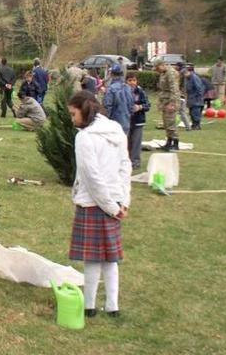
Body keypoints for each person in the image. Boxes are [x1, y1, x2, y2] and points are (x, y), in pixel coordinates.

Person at [67, 90, 130, 318]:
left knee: (94, 259)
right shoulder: (116, 129)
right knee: (110, 259)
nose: (72, 119)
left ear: (84, 111)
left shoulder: (84, 137)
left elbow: (92, 177)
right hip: (115, 202)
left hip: (96, 203)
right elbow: (126, 166)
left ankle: (90, 306)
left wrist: (113, 206)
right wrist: (123, 201)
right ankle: (111, 306)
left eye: (73, 114)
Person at [155, 60, 181, 151]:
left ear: (162, 65)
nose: (157, 70)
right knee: (166, 123)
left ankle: (175, 142)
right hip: (165, 100)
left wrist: (172, 103)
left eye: (157, 68)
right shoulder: (163, 73)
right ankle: (169, 141)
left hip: (171, 100)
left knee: (171, 122)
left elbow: (174, 89)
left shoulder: (171, 73)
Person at [102, 65, 134, 135]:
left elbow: (107, 106)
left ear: (111, 74)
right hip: (126, 122)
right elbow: (131, 106)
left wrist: (105, 120)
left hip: (114, 124)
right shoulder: (128, 88)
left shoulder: (111, 89)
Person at [126, 73, 149, 169]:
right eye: (130, 80)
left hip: (138, 121)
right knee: (126, 142)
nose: (132, 82)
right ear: (126, 81)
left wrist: (140, 107)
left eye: (134, 80)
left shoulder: (140, 91)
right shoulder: (123, 91)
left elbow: (147, 105)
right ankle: (126, 161)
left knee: (136, 142)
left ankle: (135, 161)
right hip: (126, 120)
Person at [183, 66, 205, 130]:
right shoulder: (188, 78)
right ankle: (193, 124)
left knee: (195, 112)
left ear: (187, 72)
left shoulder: (194, 77)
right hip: (191, 98)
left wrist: (198, 97)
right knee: (191, 112)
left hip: (196, 98)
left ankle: (197, 125)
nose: (184, 76)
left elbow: (199, 88)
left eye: (184, 74)